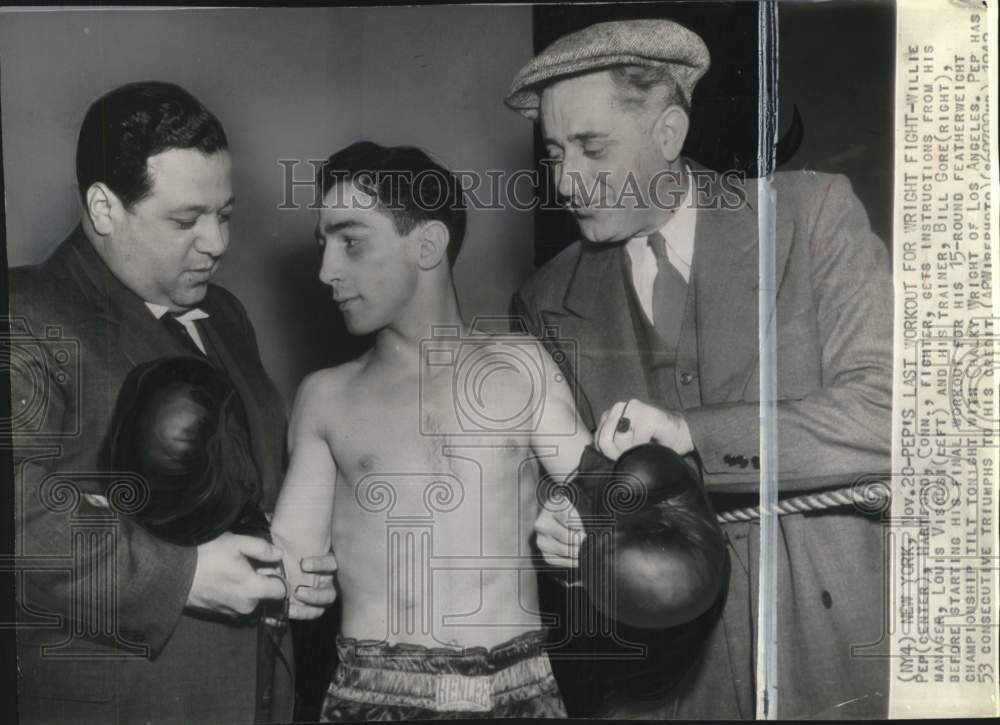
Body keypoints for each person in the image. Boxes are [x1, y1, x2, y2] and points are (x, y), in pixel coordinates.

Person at [505, 18, 893, 720]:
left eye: (593, 147)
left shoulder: (811, 218)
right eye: (556, 152)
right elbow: (554, 476)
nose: (567, 180)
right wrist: (553, 520)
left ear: (669, 133)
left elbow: (890, 418)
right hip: (661, 686)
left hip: (836, 658)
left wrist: (691, 433)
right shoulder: (543, 300)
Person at [269, 141, 726, 720]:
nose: (327, 270)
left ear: (428, 244)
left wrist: (578, 528)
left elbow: (603, 510)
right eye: (323, 244)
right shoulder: (323, 397)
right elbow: (292, 562)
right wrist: (281, 576)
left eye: (350, 241)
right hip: (373, 695)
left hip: (521, 690)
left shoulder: (521, 367)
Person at [9, 81, 337, 724]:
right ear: (104, 208)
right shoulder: (23, 314)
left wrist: (286, 558)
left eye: (226, 214)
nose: (217, 244)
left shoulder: (224, 315)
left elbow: (244, 489)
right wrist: (181, 575)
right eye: (186, 220)